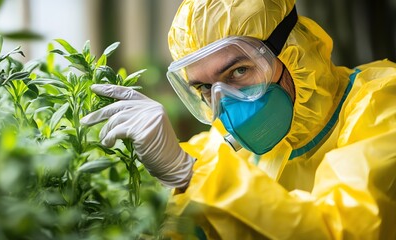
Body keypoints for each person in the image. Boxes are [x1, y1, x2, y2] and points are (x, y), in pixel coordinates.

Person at [81, 0, 396, 239]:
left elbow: (344, 229)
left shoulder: (381, 103)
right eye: (206, 87)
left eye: (240, 71)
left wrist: (190, 175)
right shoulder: (226, 149)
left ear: (289, 49)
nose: (225, 101)